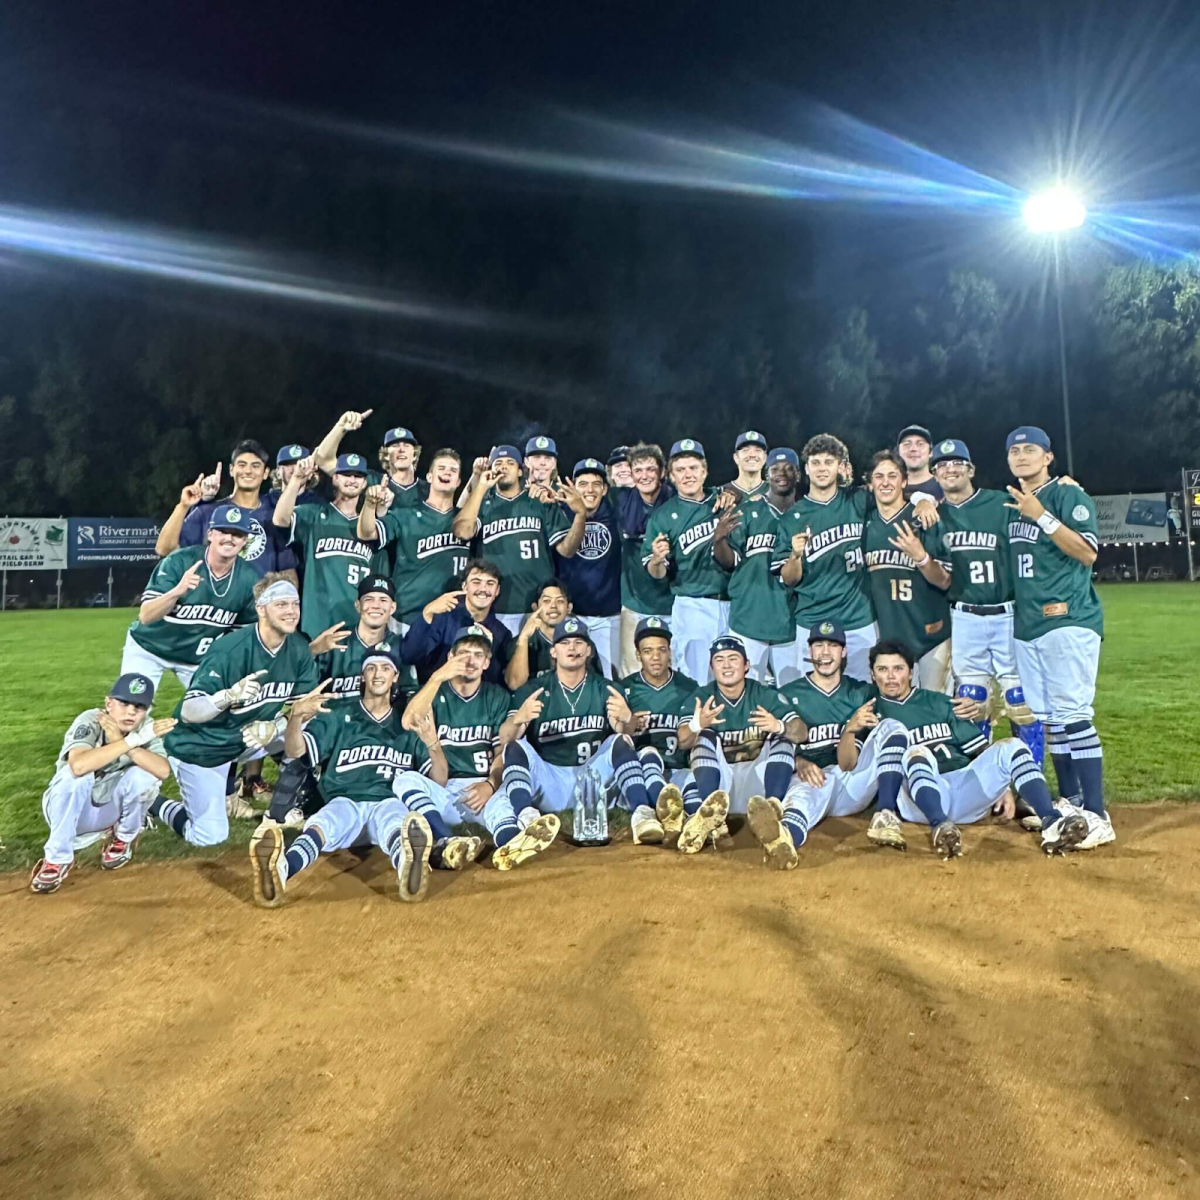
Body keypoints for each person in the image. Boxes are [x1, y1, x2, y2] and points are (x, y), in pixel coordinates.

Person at [249, 650, 473, 907]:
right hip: (345, 799)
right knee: (324, 822)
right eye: (371, 668)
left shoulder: (408, 722)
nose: (378, 674)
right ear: (363, 676)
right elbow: (295, 751)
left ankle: (409, 868)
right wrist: (296, 717)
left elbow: (439, 781)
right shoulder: (338, 715)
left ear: (395, 676)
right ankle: (280, 871)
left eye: (385, 668)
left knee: (397, 820)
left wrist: (432, 743)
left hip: (386, 801)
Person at [861, 639, 1089, 857]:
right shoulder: (868, 709)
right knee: (917, 752)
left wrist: (1003, 789)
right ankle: (939, 826)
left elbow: (981, 750)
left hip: (965, 791)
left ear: (911, 672)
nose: (891, 676)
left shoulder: (939, 703)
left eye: (898, 668)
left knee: (1012, 746)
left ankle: (1051, 821)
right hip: (918, 801)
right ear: (872, 674)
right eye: (882, 669)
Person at [150, 575, 319, 848]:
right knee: (209, 835)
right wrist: (227, 696)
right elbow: (190, 712)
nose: (291, 611)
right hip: (202, 747)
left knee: (312, 732)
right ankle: (153, 802)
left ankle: (285, 809)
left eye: (295, 604)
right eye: (281, 604)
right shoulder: (230, 650)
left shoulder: (298, 647)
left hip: (245, 739)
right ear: (261, 609)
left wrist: (276, 727)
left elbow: (307, 707)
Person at [1004, 425, 1113, 849]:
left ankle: (1099, 814)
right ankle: (1071, 802)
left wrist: (1042, 515)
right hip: (1028, 624)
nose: (1022, 456)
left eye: (1031, 449)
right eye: (1015, 451)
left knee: (1073, 713)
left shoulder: (1068, 496)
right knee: (1050, 719)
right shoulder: (1011, 504)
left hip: (1068, 618)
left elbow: (1087, 552)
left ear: (1048, 457)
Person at [927, 438, 1045, 770]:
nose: (950, 469)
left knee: (1021, 701)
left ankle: (1028, 780)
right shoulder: (936, 516)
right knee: (971, 701)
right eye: (942, 465)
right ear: (935, 474)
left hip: (1007, 612)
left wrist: (1062, 483)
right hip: (964, 616)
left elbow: (1041, 501)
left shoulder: (1000, 503)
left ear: (970, 469)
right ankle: (980, 779)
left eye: (957, 463)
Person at [497, 618, 656, 847]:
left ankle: (642, 813)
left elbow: (624, 733)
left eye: (579, 642)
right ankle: (528, 817)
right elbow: (504, 738)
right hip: (550, 779)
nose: (572, 648)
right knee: (515, 747)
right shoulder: (534, 689)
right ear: (554, 651)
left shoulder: (605, 688)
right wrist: (519, 719)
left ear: (589, 650)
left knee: (619, 740)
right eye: (565, 643)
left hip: (593, 780)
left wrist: (628, 718)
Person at [745, 623, 882, 870]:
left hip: (854, 780)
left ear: (844, 652)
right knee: (803, 793)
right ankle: (784, 838)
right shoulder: (788, 693)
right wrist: (799, 762)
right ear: (810, 651)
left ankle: (889, 813)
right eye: (818, 645)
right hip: (812, 780)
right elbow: (773, 742)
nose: (825, 652)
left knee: (890, 727)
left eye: (832, 645)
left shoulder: (862, 692)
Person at [401, 625, 539, 867]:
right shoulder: (435, 693)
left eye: (479, 655)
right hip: (445, 790)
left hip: (483, 786)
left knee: (501, 807)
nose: (471, 661)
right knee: (405, 781)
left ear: (487, 663)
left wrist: (490, 785)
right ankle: (447, 841)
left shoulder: (496, 697)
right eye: (464, 653)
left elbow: (502, 751)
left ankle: (512, 846)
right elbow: (408, 721)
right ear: (450, 658)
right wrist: (437, 677)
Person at [29, 673, 175, 894]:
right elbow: (78, 766)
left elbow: (162, 770)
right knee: (77, 776)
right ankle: (56, 860)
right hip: (68, 811)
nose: (131, 711)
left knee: (146, 775)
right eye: (124, 703)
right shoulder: (90, 719)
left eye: (140, 706)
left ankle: (123, 839)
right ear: (109, 703)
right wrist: (132, 740)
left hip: (107, 811)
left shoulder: (146, 727)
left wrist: (122, 740)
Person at [674, 635, 806, 854]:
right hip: (720, 785)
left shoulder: (763, 694)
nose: (726, 665)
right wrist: (698, 723)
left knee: (781, 736)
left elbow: (801, 732)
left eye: (733, 658)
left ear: (746, 665)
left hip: (759, 787)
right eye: (719, 659)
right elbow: (682, 741)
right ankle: (713, 816)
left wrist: (779, 726)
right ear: (711, 667)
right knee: (703, 735)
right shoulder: (702, 697)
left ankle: (772, 809)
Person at [772, 434, 876, 682]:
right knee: (811, 698)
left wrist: (922, 499)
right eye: (816, 463)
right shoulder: (792, 517)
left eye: (828, 462)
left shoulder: (858, 501)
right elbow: (788, 580)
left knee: (862, 696)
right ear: (806, 468)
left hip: (858, 619)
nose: (822, 468)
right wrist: (795, 556)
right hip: (812, 622)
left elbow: (894, 499)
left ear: (840, 467)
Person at [121, 505, 259, 691]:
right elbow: (146, 616)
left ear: (245, 541)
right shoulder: (179, 561)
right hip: (149, 648)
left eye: (237, 534)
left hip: (195, 660)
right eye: (223, 531)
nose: (229, 538)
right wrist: (177, 591)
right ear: (210, 534)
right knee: (132, 706)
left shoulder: (249, 579)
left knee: (215, 711)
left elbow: (239, 635)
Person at [452, 445, 586, 634]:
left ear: (520, 470)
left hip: (537, 608)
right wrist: (481, 487)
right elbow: (462, 532)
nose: (504, 467)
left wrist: (580, 515)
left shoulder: (540, 500)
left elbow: (567, 550)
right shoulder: (482, 503)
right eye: (498, 463)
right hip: (493, 608)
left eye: (510, 463)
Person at [861, 449, 953, 692]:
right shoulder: (865, 525)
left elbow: (945, 581)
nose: (886, 482)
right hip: (889, 639)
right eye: (879, 476)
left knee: (935, 710)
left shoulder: (923, 518)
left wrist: (921, 557)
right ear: (870, 484)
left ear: (904, 481)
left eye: (893, 476)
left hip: (930, 634)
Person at [642, 439, 732, 683]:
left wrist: (728, 495)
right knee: (696, 681)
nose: (688, 475)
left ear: (704, 471)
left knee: (733, 679)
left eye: (693, 468)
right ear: (671, 476)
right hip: (692, 605)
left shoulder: (723, 502)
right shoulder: (662, 516)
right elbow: (656, 573)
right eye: (680, 470)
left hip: (733, 604)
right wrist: (658, 559)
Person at [357, 448, 471, 633]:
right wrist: (370, 504)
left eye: (453, 470)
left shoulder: (465, 521)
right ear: (430, 477)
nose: (447, 472)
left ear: (458, 482)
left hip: (453, 619)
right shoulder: (406, 515)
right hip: (408, 618)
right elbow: (367, 533)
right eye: (441, 468)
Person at [273, 453, 384, 639]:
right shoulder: (315, 515)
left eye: (357, 476)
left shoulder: (370, 528)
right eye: (346, 474)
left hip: (358, 626)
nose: (352, 480)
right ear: (335, 478)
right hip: (317, 624)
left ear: (365, 484)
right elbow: (280, 519)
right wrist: (297, 480)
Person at [712, 447, 799, 682]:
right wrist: (719, 540)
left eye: (788, 468)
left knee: (793, 698)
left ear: (798, 474)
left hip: (791, 624)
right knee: (747, 696)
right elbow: (729, 562)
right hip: (748, 619)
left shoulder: (805, 514)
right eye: (775, 469)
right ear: (766, 474)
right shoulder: (747, 512)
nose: (781, 473)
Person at [617, 617, 698, 845]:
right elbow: (617, 737)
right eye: (648, 650)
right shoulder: (624, 689)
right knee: (647, 752)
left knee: (694, 785)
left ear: (670, 652)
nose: (655, 657)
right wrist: (628, 723)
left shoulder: (689, 687)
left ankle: (693, 821)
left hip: (679, 768)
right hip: (641, 775)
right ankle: (661, 811)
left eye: (661, 650)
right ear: (638, 655)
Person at [159, 440, 288, 575]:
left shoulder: (275, 516)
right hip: (214, 594)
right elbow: (164, 549)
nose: (248, 471)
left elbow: (287, 568)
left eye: (255, 466)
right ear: (232, 470)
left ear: (266, 473)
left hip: (261, 594)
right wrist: (183, 505)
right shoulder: (208, 512)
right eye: (242, 465)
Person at [552, 457, 623, 678]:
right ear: (573, 487)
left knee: (610, 678)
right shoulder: (561, 511)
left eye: (596, 484)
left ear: (605, 490)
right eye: (583, 484)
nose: (589, 490)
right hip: (571, 616)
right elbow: (565, 550)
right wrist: (579, 513)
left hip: (608, 617)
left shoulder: (616, 514)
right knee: (569, 676)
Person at [614, 442, 674, 677]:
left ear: (662, 472)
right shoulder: (621, 499)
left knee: (676, 672)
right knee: (632, 674)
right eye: (638, 471)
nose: (644, 476)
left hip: (673, 603)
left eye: (650, 469)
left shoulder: (677, 499)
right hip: (635, 603)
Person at [401, 559, 512, 685]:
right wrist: (427, 614)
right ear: (465, 587)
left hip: (476, 702)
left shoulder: (501, 633)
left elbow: (494, 684)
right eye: (476, 582)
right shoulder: (442, 617)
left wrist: (488, 651)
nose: (483, 589)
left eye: (490, 583)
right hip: (436, 697)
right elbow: (409, 656)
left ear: (497, 591)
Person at [313, 411, 430, 510]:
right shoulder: (371, 480)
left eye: (406, 445)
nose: (401, 449)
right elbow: (323, 460)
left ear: (415, 454)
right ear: (386, 455)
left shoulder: (429, 489)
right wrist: (340, 427)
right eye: (394, 446)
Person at [506, 580, 588, 689]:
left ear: (569, 608)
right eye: (546, 601)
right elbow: (515, 685)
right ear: (535, 607)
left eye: (559, 601)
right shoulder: (521, 641)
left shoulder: (580, 642)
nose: (553, 606)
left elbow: (592, 683)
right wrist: (524, 639)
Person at [896, 424, 944, 502]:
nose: (913, 449)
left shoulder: (944, 485)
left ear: (931, 452)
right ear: (898, 452)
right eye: (907, 444)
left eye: (920, 444)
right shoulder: (890, 487)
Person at [726, 430, 769, 501]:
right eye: (745, 450)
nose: (752, 455)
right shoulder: (722, 493)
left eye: (757, 450)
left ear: (765, 458)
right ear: (736, 458)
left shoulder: (775, 492)